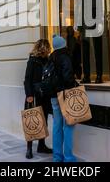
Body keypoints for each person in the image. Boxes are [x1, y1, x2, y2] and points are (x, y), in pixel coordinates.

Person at [50, 34, 78, 163]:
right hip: (65, 94)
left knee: (57, 125)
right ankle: (68, 158)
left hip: (54, 95)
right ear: (63, 44)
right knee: (68, 125)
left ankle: (57, 157)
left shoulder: (51, 57)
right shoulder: (65, 57)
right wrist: (74, 85)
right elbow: (68, 77)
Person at [23, 39, 53, 160]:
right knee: (31, 121)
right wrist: (29, 94)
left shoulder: (47, 60)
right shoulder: (32, 61)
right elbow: (27, 79)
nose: (47, 51)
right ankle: (29, 148)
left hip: (44, 95)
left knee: (43, 120)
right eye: (46, 48)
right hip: (33, 95)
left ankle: (41, 145)